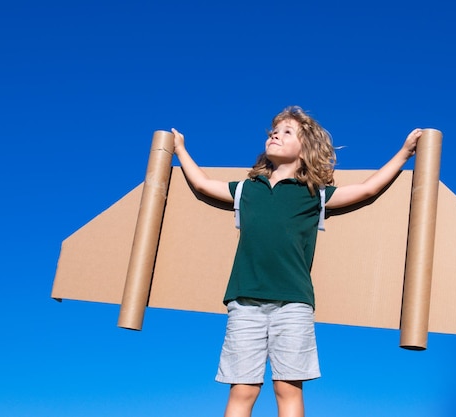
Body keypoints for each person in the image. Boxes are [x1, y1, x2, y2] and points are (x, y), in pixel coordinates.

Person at [172, 106, 422, 417]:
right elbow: (202, 185)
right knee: (242, 389)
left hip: (293, 304)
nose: (275, 134)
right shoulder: (247, 190)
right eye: (273, 131)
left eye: (287, 132)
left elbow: (368, 189)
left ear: (305, 150)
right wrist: (180, 150)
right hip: (245, 303)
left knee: (287, 388)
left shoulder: (313, 194)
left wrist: (405, 152)